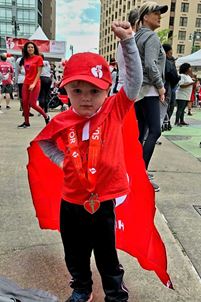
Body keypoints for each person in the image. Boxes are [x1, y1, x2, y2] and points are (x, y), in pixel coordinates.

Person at [28, 21, 143, 302]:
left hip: (103, 199)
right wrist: (64, 159)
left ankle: (115, 292)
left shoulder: (114, 110)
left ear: (107, 90)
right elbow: (43, 142)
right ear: (66, 91)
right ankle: (81, 287)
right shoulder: (62, 120)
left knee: (106, 252)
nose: (86, 99)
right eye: (77, 91)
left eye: (94, 91)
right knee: (74, 250)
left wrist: (128, 42)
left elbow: (135, 82)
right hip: (71, 199)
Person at [134, 1, 168, 192]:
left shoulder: (137, 36)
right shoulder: (152, 38)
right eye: (155, 13)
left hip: (138, 91)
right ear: (145, 17)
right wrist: (161, 87)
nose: (159, 16)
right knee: (155, 130)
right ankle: (141, 173)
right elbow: (150, 65)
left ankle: (135, 170)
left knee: (140, 133)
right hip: (150, 90)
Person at [17, 41, 50, 128]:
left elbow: (39, 72)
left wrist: (34, 84)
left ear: (34, 48)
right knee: (24, 103)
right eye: (28, 47)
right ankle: (26, 122)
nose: (30, 49)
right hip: (26, 83)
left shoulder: (38, 58)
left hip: (35, 83)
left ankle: (46, 116)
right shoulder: (25, 59)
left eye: (31, 47)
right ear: (26, 49)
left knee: (32, 104)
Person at [162, 43, 180, 130]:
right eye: (170, 53)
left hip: (160, 88)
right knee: (167, 107)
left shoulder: (158, 60)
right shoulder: (168, 63)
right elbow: (174, 77)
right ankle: (164, 124)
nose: (171, 55)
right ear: (166, 53)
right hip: (166, 87)